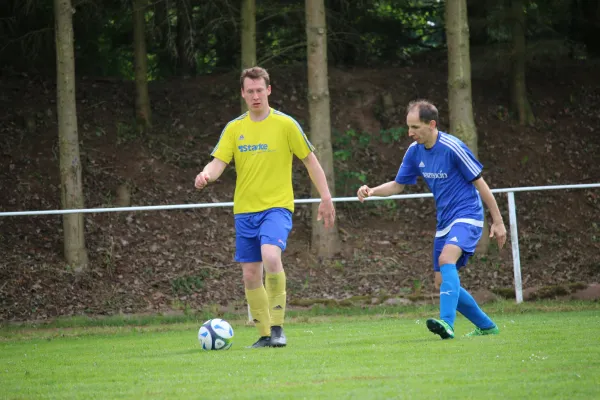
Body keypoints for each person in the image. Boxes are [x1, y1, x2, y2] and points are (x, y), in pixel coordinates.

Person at [195, 66, 336, 348]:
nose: (256, 96)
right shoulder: (235, 128)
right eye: (251, 91)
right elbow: (219, 162)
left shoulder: (286, 125)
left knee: (271, 256)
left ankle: (278, 329)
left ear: (269, 90)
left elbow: (310, 160)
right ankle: (263, 334)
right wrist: (206, 174)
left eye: (260, 90)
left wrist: (326, 196)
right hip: (245, 211)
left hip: (277, 207)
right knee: (250, 274)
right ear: (243, 94)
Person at [357, 100, 507, 339]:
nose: (410, 133)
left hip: (468, 214)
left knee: (447, 259)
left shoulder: (452, 147)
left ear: (432, 124)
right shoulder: (414, 151)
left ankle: (447, 324)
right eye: (409, 127)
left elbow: (481, 183)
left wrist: (497, 221)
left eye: (415, 127)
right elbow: (397, 185)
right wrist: (372, 190)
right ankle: (487, 326)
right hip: (444, 221)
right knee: (441, 281)